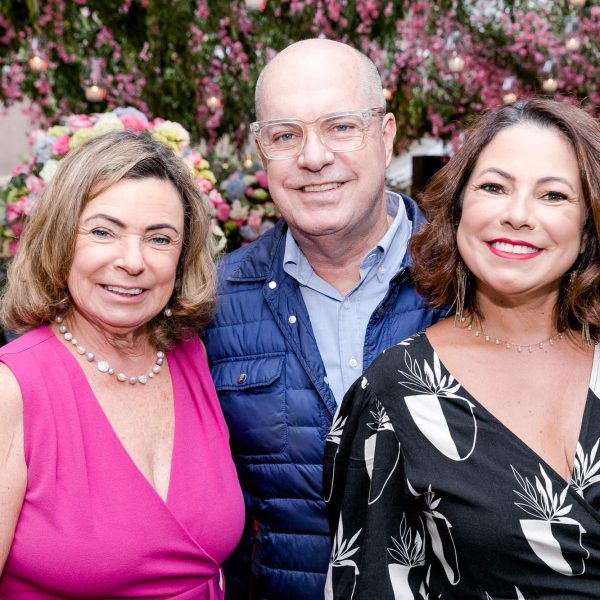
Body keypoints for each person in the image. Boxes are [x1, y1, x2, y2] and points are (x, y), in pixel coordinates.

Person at [324, 97, 600, 598]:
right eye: (494, 187)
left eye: (554, 195)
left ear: (587, 228)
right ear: (458, 210)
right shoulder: (394, 395)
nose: (518, 215)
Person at [203, 38, 443, 599]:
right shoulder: (214, 301)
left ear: (385, 138)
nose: (313, 156)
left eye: (340, 126)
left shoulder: (467, 279)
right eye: (286, 135)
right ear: (261, 151)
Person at [0, 130, 244, 598]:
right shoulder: (14, 390)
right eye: (103, 232)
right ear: (59, 238)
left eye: (159, 238)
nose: (133, 261)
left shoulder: (192, 358)